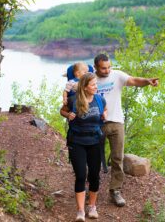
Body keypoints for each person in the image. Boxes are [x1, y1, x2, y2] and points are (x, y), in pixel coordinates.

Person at [94, 53, 158, 207]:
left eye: (109, 67)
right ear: (96, 67)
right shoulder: (90, 79)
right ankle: (92, 189)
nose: (107, 70)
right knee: (94, 158)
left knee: (117, 158)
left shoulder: (117, 75)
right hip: (96, 123)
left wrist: (147, 81)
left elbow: (134, 80)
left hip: (116, 122)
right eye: (103, 68)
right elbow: (77, 92)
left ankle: (115, 191)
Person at [60, 73, 107, 221]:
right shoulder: (74, 100)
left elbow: (104, 110)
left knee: (94, 175)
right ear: (85, 87)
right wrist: (68, 116)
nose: (96, 87)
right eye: (93, 85)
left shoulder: (100, 99)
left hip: (95, 142)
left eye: (96, 84)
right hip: (77, 142)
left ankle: (92, 207)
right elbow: (62, 110)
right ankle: (80, 211)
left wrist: (104, 115)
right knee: (81, 175)